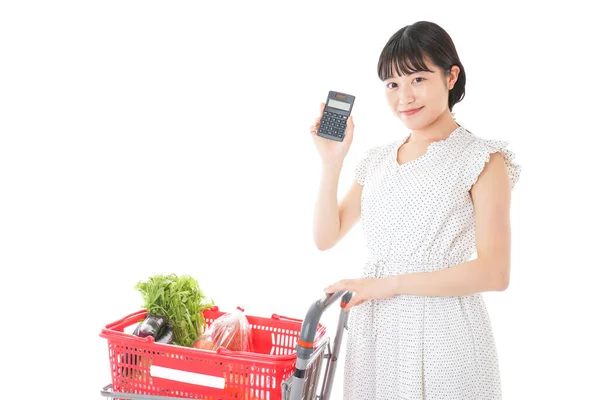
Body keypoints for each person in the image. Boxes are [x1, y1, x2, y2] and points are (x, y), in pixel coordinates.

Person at [310, 21, 521, 399]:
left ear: (451, 76)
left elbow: (495, 272)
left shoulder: (484, 160)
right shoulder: (376, 161)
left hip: (446, 334)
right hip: (378, 332)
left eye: (418, 79)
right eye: (392, 84)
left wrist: (387, 285)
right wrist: (332, 161)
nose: (403, 97)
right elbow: (326, 236)